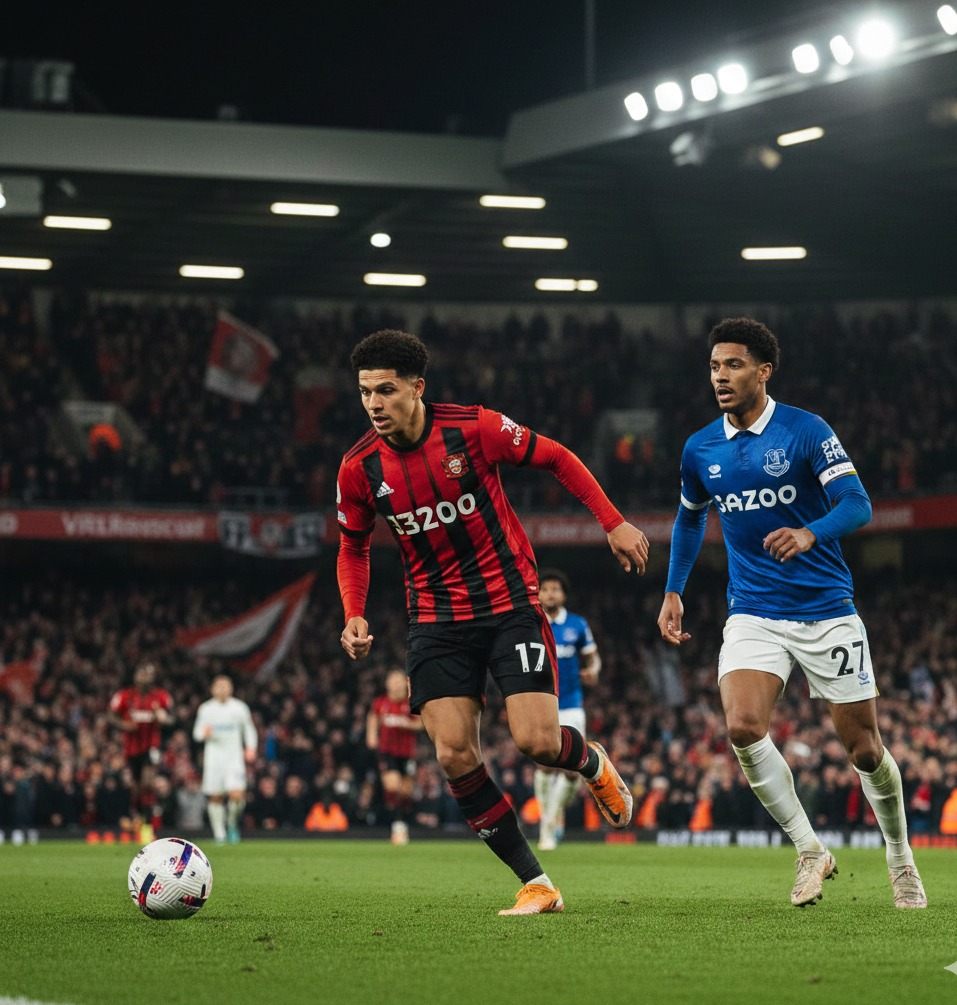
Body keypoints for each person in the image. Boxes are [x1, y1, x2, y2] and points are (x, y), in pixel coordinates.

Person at [336, 329, 648, 915]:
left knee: (536, 742)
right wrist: (353, 613)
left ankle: (589, 760)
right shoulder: (359, 468)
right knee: (454, 754)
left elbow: (556, 456)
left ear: (417, 387)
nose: (374, 404)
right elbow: (353, 547)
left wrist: (613, 521)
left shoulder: (473, 428)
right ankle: (537, 883)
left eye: (386, 390)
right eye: (364, 393)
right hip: (433, 616)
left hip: (508, 604)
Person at [657, 317, 927, 910]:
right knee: (742, 727)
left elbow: (857, 504)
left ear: (763, 370)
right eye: (713, 366)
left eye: (732, 364)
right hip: (753, 611)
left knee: (863, 749)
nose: (720, 376)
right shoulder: (701, 447)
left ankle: (900, 855)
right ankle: (810, 850)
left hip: (826, 610)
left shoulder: (806, 431)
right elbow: (689, 517)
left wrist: (809, 534)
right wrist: (674, 589)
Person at [534, 568, 601, 850]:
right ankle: (547, 825)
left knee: (574, 770)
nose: (550, 593)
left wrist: (594, 671)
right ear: (537, 593)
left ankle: (550, 819)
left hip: (572, 703)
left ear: (563, 594)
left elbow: (593, 659)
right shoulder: (531, 623)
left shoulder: (577, 624)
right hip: (540, 702)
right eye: (545, 588)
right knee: (545, 766)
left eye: (555, 589)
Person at [192, 674, 257, 845]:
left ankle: (232, 823)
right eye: (218, 686)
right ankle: (219, 833)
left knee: (237, 795)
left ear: (231, 688)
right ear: (213, 689)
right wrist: (203, 734)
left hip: (234, 758)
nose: (222, 690)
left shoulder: (239, 708)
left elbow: (249, 729)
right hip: (214, 758)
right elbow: (196, 733)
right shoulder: (206, 709)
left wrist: (251, 747)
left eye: (225, 686)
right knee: (215, 797)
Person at [107, 661, 173, 820]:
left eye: (149, 675)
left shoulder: (161, 696)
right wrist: (124, 724)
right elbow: (110, 715)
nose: (145, 678)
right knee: (136, 786)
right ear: (136, 676)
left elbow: (172, 718)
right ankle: (138, 814)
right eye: (142, 674)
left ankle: (149, 819)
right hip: (131, 748)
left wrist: (163, 718)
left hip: (152, 745)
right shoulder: (125, 695)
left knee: (148, 782)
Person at [366, 667, 423, 845]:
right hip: (387, 752)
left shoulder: (411, 703)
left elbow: (422, 724)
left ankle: (401, 824)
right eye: (393, 681)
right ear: (388, 684)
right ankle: (396, 826)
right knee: (393, 786)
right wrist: (371, 735)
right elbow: (372, 717)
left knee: (405, 792)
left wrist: (405, 723)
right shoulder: (380, 703)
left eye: (400, 681)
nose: (396, 685)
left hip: (407, 753)